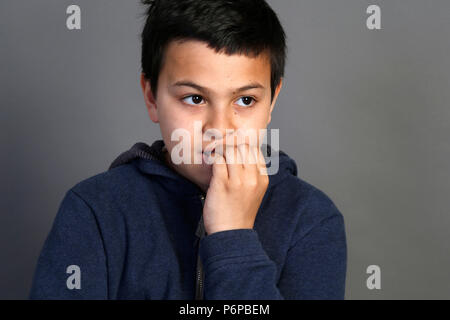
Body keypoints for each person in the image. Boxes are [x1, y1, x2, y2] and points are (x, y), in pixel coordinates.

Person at [29, 0, 347, 299]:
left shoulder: (311, 220)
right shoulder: (95, 210)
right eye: (194, 99)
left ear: (271, 101)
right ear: (151, 96)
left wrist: (233, 237)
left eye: (245, 100)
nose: (220, 129)